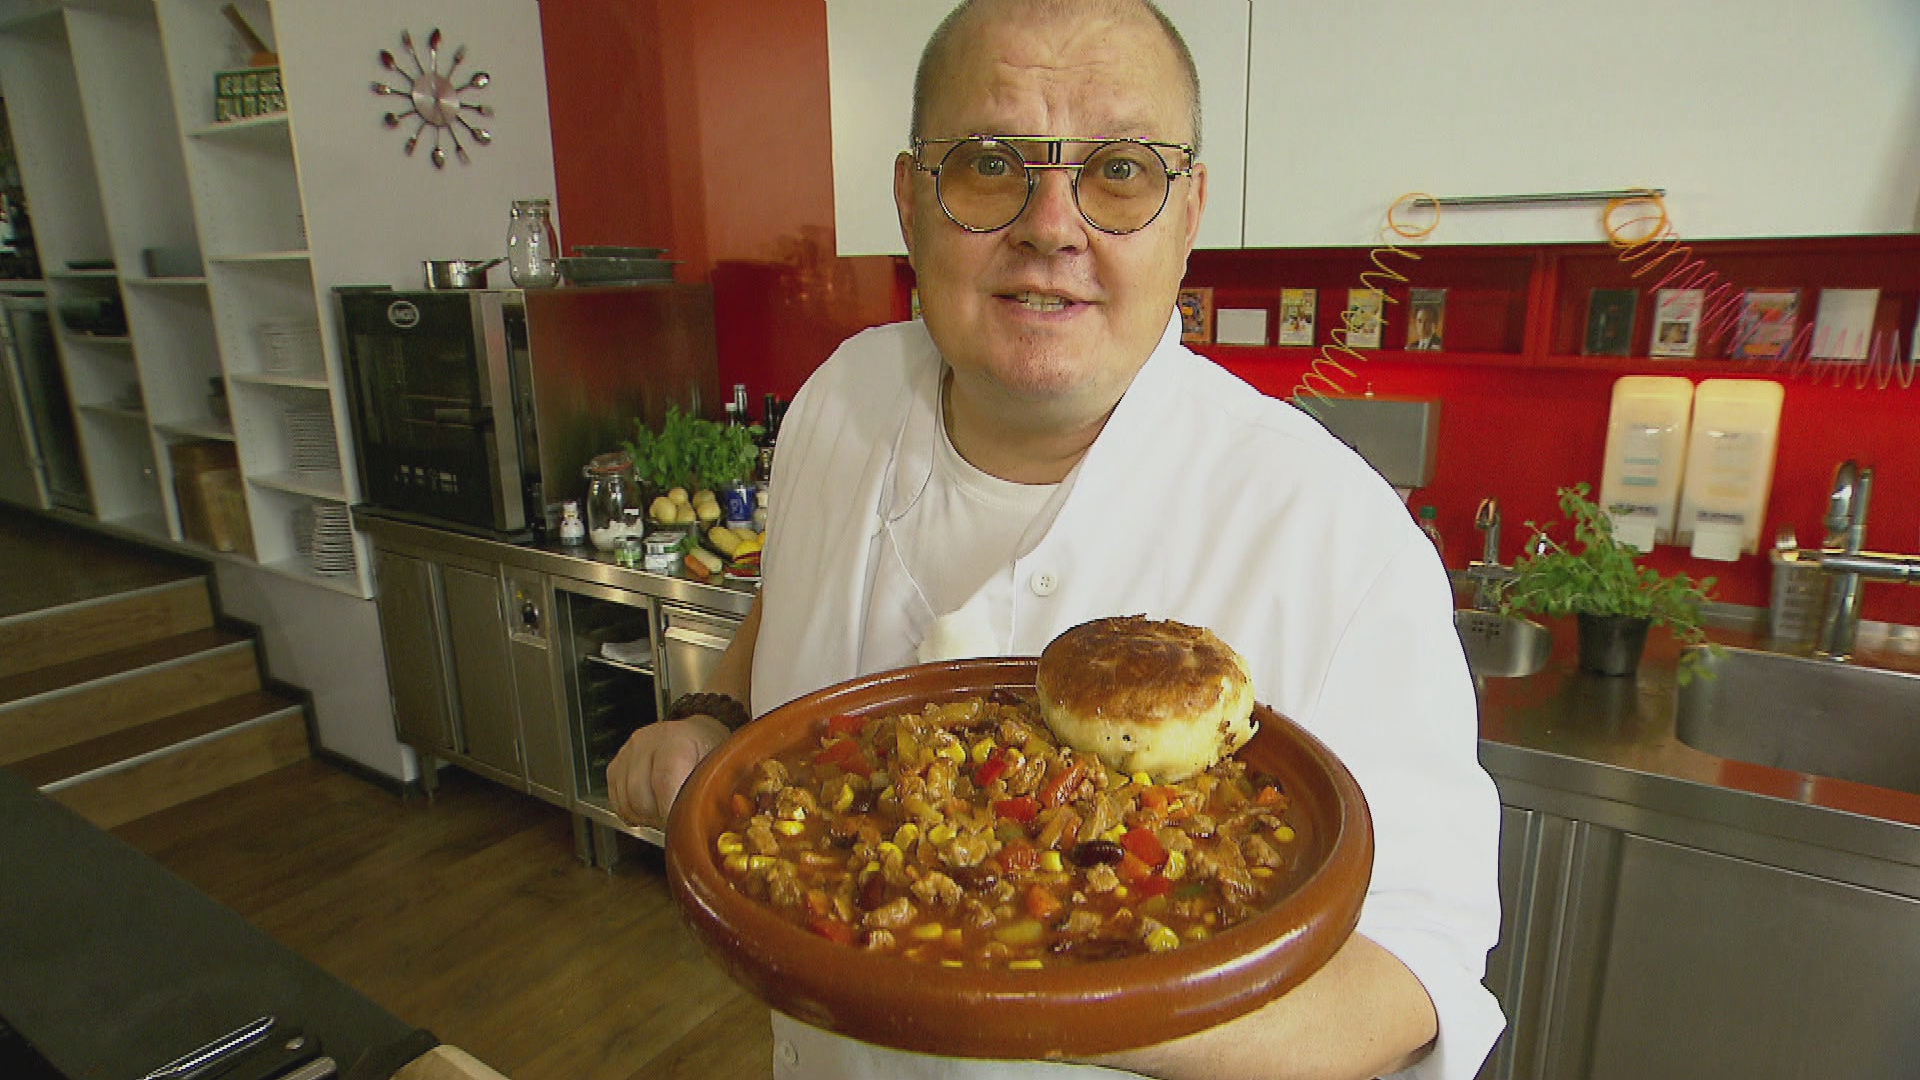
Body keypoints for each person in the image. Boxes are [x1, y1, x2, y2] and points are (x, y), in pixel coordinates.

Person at [608, 2, 1504, 1078]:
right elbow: (790, 596)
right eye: (990, 164)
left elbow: (1415, 974)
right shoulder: (835, 402)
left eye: (1120, 171)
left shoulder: (1339, 541)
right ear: (910, 200)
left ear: (1189, 213)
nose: (1051, 225)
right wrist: (710, 719)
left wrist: (1047, 978)